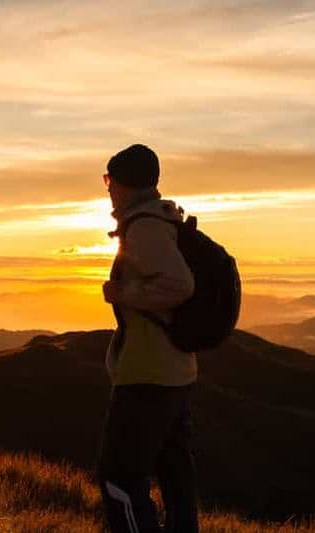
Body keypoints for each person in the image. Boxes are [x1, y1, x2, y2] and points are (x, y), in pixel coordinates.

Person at [97, 144, 199, 533]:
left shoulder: (144, 227)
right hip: (175, 370)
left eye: (110, 180)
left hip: (148, 375)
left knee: (118, 475)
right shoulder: (164, 220)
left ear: (125, 184)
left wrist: (121, 293)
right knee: (175, 474)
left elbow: (179, 285)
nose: (108, 189)